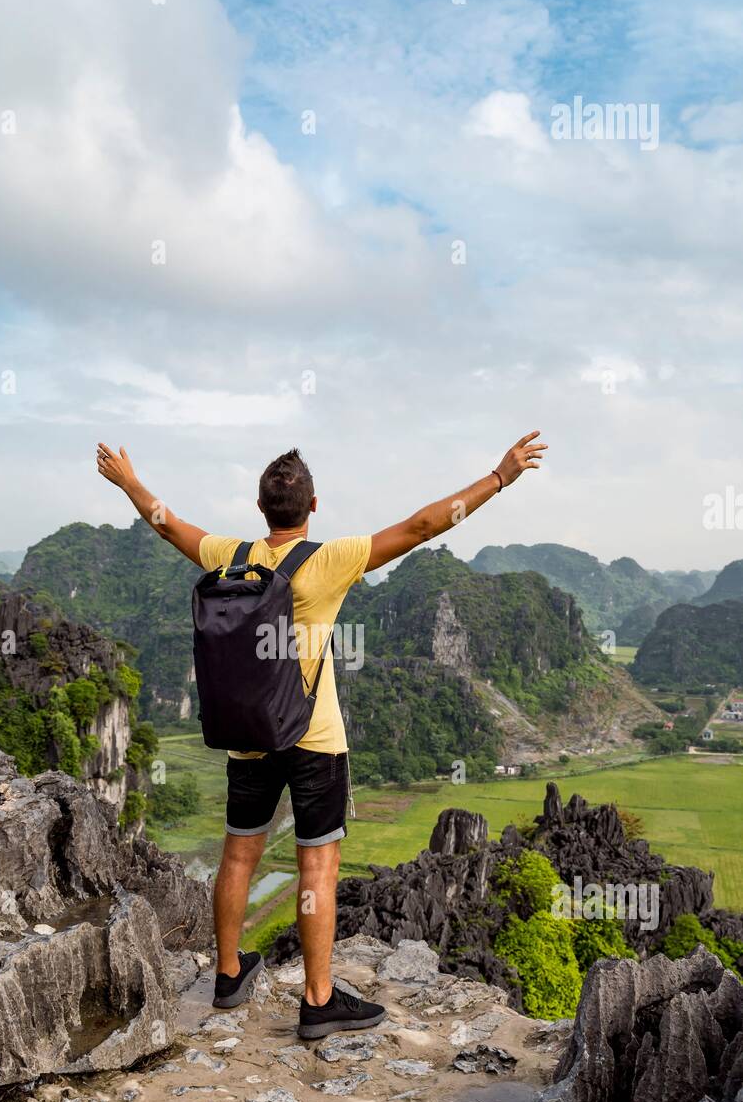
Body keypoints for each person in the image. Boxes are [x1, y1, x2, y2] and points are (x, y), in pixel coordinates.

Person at [96, 433, 546, 1037]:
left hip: (250, 735)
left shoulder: (231, 555)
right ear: (313, 508)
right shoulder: (329, 561)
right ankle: (317, 998)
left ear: (261, 510)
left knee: (238, 853)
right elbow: (420, 526)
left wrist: (128, 480)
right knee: (317, 869)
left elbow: (168, 525)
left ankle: (228, 974)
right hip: (316, 739)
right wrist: (498, 477)